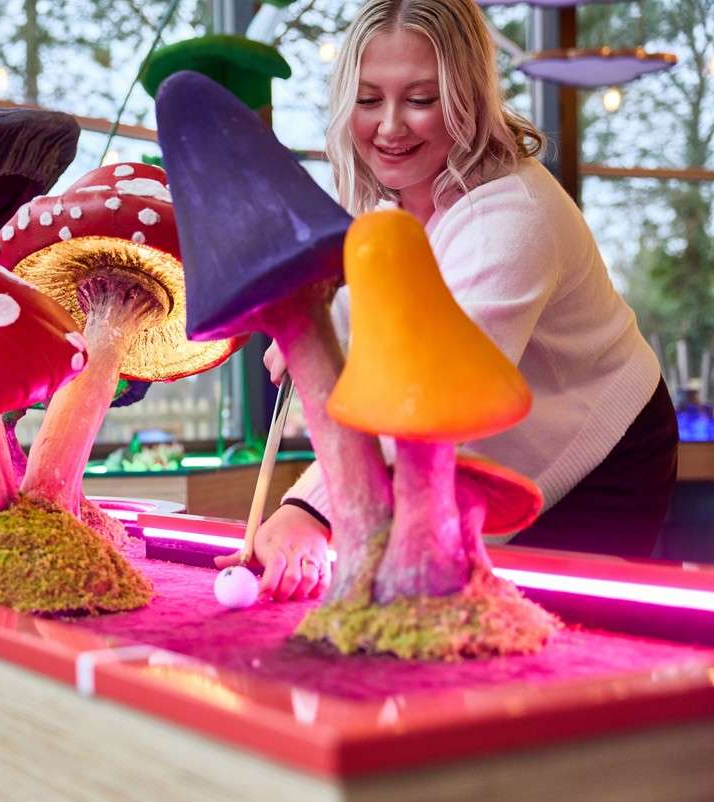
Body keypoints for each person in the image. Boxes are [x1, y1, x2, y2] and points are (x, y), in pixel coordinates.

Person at [216, 0, 678, 600]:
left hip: (606, 450)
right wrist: (318, 330)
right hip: (503, 434)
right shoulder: (396, 202)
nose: (389, 126)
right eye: (368, 99)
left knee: (545, 644)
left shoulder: (512, 220)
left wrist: (311, 509)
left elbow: (432, 398)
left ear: (468, 98)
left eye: (419, 99)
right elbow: (390, 305)